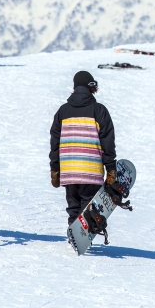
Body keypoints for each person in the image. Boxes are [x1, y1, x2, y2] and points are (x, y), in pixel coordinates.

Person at [49, 71, 116, 226]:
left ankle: (75, 233)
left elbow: (55, 143)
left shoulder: (62, 111)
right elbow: (108, 142)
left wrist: (55, 169)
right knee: (88, 206)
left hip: (69, 170)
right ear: (91, 87)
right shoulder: (99, 110)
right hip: (90, 169)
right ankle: (84, 231)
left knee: (73, 206)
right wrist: (111, 168)